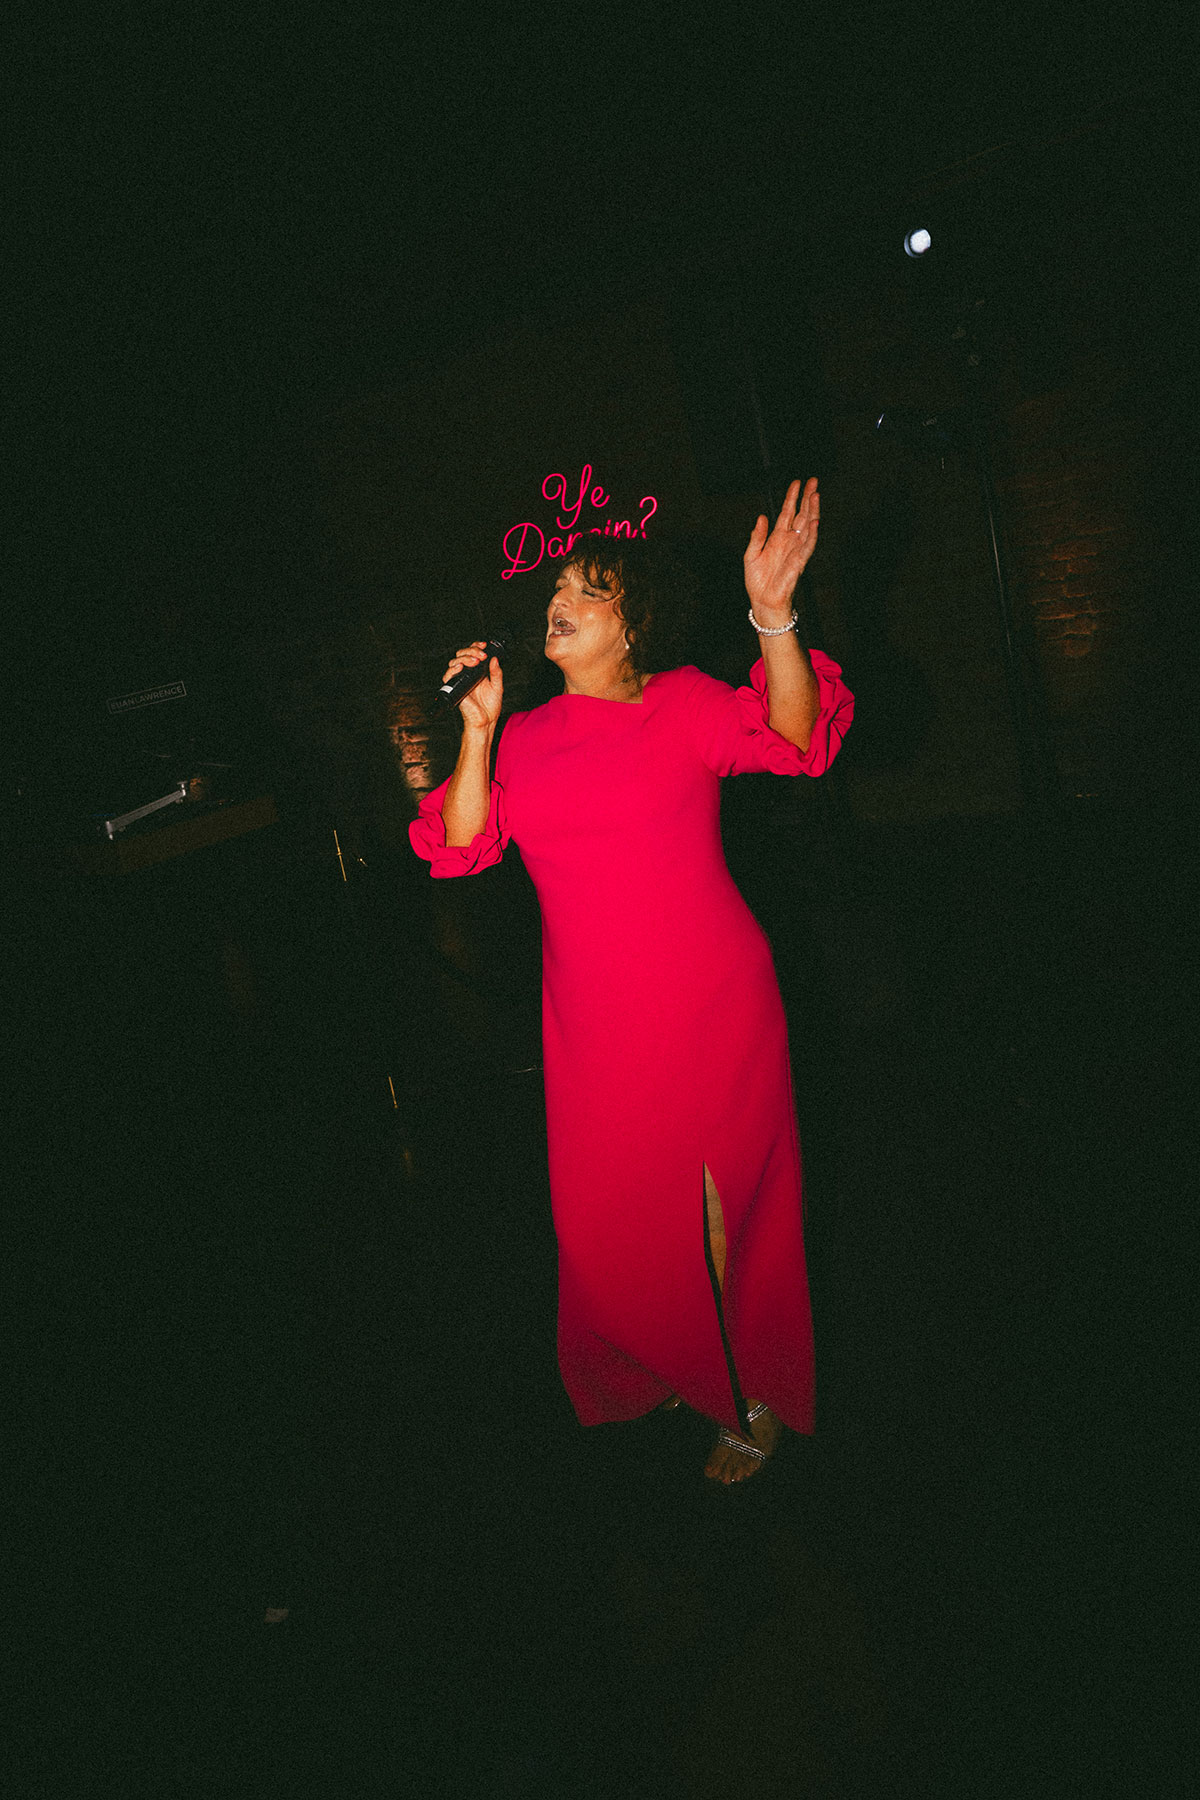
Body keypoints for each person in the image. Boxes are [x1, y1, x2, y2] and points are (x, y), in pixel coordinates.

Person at [410, 478, 853, 1482]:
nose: (562, 597)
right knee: (607, 1220)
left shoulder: (681, 704)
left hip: (712, 1001)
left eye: (591, 587)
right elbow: (463, 844)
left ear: (634, 622)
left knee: (715, 1205)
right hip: (594, 1021)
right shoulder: (521, 735)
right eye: (561, 583)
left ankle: (750, 1392)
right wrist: (476, 728)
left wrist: (774, 615)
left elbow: (793, 736)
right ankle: (670, 1352)